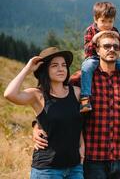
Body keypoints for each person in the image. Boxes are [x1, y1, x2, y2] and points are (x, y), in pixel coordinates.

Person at [34, 31, 120, 179]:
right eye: (107, 46)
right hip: (93, 159)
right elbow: (55, 101)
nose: (112, 49)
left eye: (116, 46)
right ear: (97, 50)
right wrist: (37, 125)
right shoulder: (82, 78)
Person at [4, 47, 85, 179]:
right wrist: (27, 69)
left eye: (64, 65)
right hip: (47, 169)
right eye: (54, 65)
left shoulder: (76, 92)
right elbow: (9, 94)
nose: (61, 69)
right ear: (44, 69)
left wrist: (82, 146)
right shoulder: (37, 95)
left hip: (74, 168)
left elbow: (77, 122)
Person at [80, 1, 120, 119]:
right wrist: (94, 39)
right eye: (103, 21)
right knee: (86, 68)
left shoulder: (114, 30)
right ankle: (85, 98)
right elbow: (87, 51)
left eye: (110, 21)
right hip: (93, 58)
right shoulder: (90, 30)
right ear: (95, 19)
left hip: (112, 60)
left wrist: (117, 36)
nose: (107, 25)